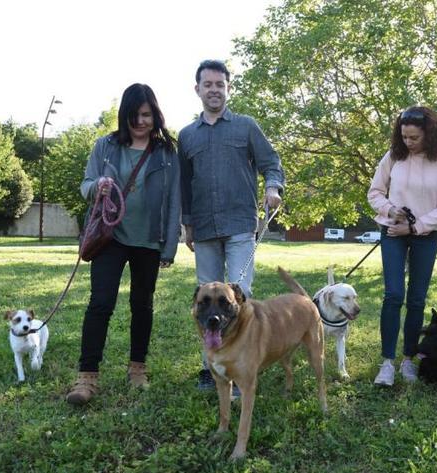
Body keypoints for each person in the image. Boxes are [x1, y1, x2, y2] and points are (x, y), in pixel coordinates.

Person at [66, 83, 181, 404]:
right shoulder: (105, 146)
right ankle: (86, 378)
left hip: (149, 240)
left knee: (142, 306)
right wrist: (96, 187)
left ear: (155, 114)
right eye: (134, 116)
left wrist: (169, 246)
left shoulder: (167, 153)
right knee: (100, 303)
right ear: (123, 116)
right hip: (110, 236)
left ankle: (137, 370)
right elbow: (85, 183)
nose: (141, 121)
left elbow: (175, 201)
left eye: (146, 115)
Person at [178, 59, 285, 391]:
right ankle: (210, 368)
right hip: (205, 228)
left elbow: (271, 163)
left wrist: (272, 188)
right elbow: (184, 183)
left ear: (228, 88)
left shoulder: (246, 126)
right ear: (197, 89)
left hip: (240, 224)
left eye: (219, 84)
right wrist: (187, 224)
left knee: (240, 297)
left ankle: (241, 368)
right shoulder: (186, 136)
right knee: (207, 300)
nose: (214, 90)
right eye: (207, 84)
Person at [367, 106, 437, 386]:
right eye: (404, 136)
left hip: (426, 235)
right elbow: (374, 193)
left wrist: (416, 226)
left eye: (414, 137)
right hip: (393, 232)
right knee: (393, 294)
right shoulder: (393, 156)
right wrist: (390, 210)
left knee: (417, 298)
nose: (408, 142)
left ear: (430, 134)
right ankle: (387, 363)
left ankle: (409, 359)